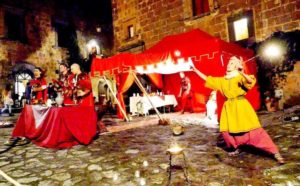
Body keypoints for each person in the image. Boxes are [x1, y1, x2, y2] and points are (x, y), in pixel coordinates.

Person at [192, 56, 284, 164]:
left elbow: (249, 80)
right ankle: (237, 147)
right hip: (229, 108)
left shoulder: (240, 77)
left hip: (241, 106)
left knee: (253, 130)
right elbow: (208, 79)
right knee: (228, 131)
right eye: (228, 63)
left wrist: (242, 72)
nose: (228, 65)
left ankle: (274, 152)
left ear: (236, 66)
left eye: (231, 63)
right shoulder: (223, 80)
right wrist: (195, 70)